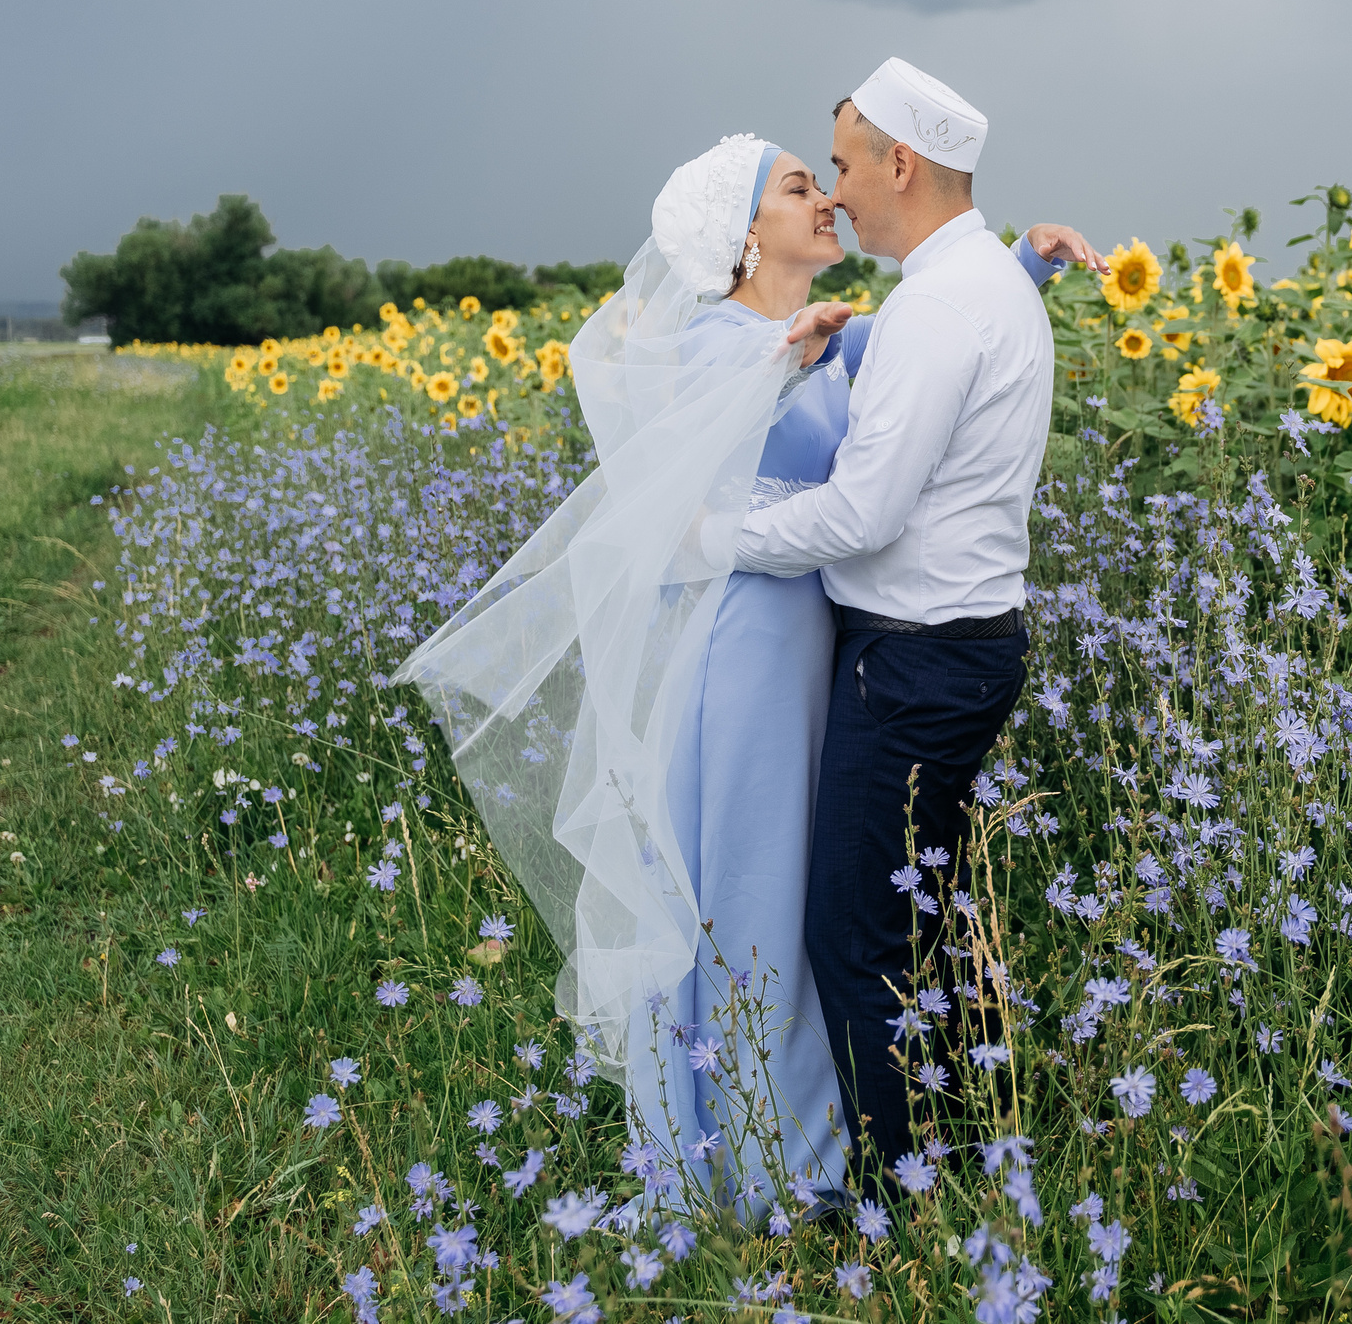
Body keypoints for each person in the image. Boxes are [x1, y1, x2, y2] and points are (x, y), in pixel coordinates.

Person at [394, 122, 1097, 1218]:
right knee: (753, 886)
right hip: (745, 646)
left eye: (824, 182)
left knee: (805, 883)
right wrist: (787, 359)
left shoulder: (826, 332)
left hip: (811, 641)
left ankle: (798, 1128)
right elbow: (698, 454)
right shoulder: (717, 343)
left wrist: (1020, 266)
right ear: (740, 236)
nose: (825, 201)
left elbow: (935, 351)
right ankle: (776, 1163)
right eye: (799, 188)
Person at [737, 58, 1096, 1182]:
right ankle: (979, 1144)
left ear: (900, 162)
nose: (835, 190)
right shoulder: (971, 286)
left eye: (841, 164)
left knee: (858, 940)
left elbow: (864, 513)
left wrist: (712, 539)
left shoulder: (949, 302)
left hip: (910, 666)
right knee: (927, 917)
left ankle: (903, 1202)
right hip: (958, 653)